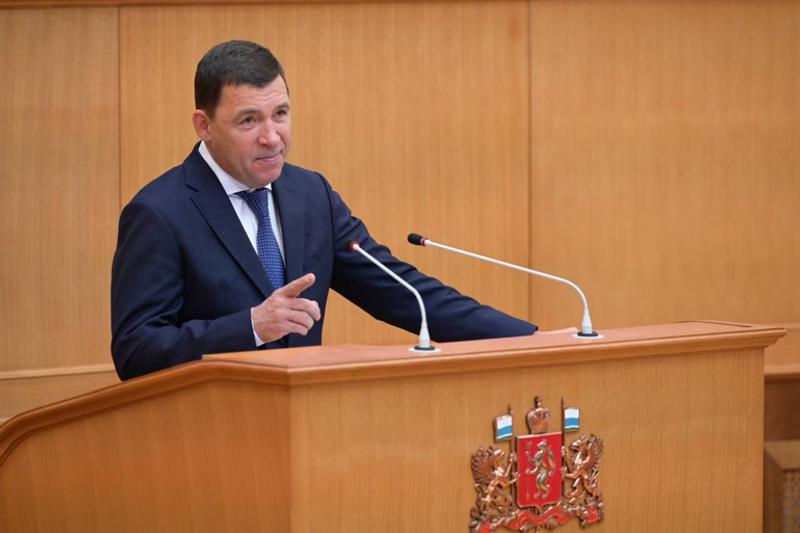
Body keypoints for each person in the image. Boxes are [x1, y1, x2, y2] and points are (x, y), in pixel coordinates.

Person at [111, 40, 537, 381]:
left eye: (280, 114)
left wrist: (528, 339)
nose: (272, 137)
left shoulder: (309, 194)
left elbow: (401, 291)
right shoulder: (159, 213)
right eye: (249, 121)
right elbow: (136, 350)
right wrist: (251, 326)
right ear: (204, 125)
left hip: (305, 429)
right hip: (212, 434)